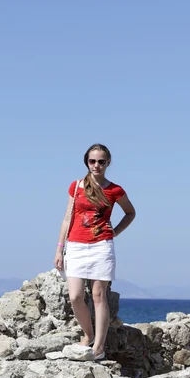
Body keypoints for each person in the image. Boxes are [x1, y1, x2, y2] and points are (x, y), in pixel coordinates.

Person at [54, 143, 136, 360]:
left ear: (108, 163)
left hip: (101, 246)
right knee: (75, 296)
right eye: (92, 161)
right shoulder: (77, 186)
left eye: (101, 161)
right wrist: (59, 249)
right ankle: (88, 335)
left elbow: (130, 213)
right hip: (76, 245)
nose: (96, 165)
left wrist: (115, 232)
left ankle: (99, 347)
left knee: (99, 295)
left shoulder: (115, 190)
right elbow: (67, 218)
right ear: (86, 162)